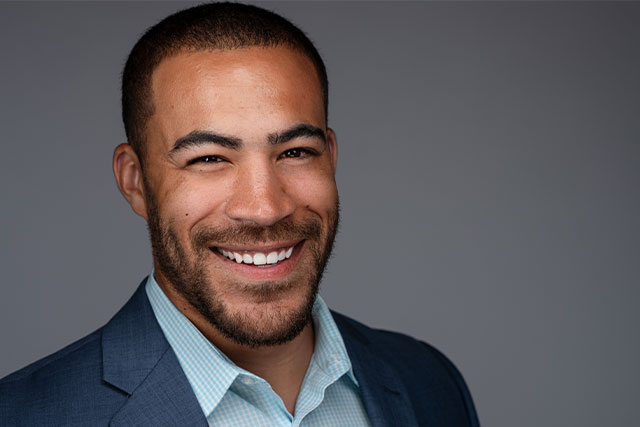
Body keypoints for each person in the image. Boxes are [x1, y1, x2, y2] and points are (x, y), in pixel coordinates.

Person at [0, 3, 479, 426]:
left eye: (295, 151)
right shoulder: (23, 415)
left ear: (331, 156)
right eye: (208, 158)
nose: (264, 208)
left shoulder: (428, 382)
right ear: (135, 180)